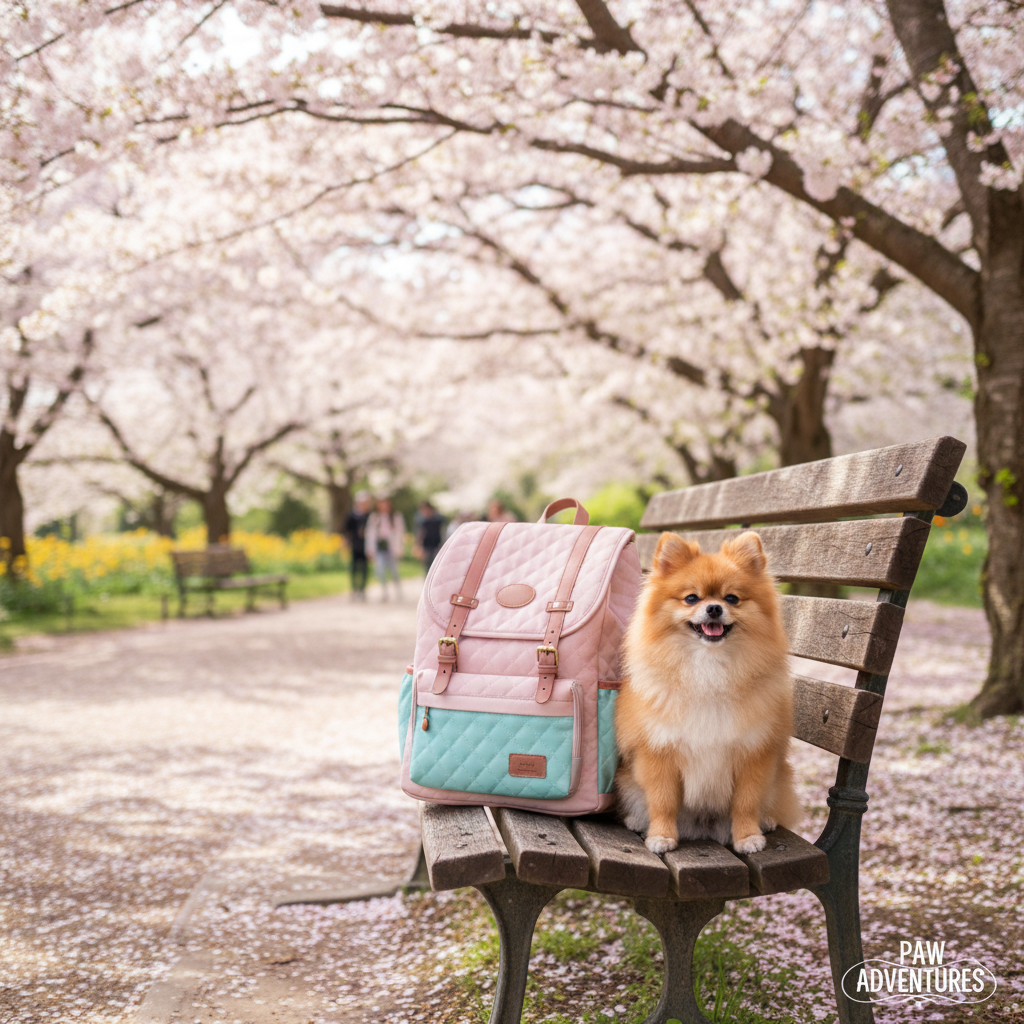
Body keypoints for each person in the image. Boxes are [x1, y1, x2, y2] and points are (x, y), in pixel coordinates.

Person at [366, 496, 406, 601]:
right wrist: (370, 549)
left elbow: (400, 533)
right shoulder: (374, 517)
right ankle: (384, 592)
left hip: (392, 547)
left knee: (394, 571)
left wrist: (400, 547)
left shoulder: (395, 517)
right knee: (380, 571)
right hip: (380, 547)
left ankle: (398, 592)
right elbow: (370, 534)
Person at [343, 491, 372, 601]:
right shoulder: (351, 515)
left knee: (364, 568)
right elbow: (346, 530)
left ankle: (362, 589)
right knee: (354, 568)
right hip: (355, 545)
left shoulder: (369, 516)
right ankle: (354, 589)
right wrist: (345, 542)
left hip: (366, 546)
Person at [414, 500, 447, 573]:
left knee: (437, 567)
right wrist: (418, 546)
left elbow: (442, 533)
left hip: (436, 546)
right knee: (427, 568)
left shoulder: (438, 520)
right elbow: (419, 534)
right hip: (426, 547)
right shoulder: (421, 521)